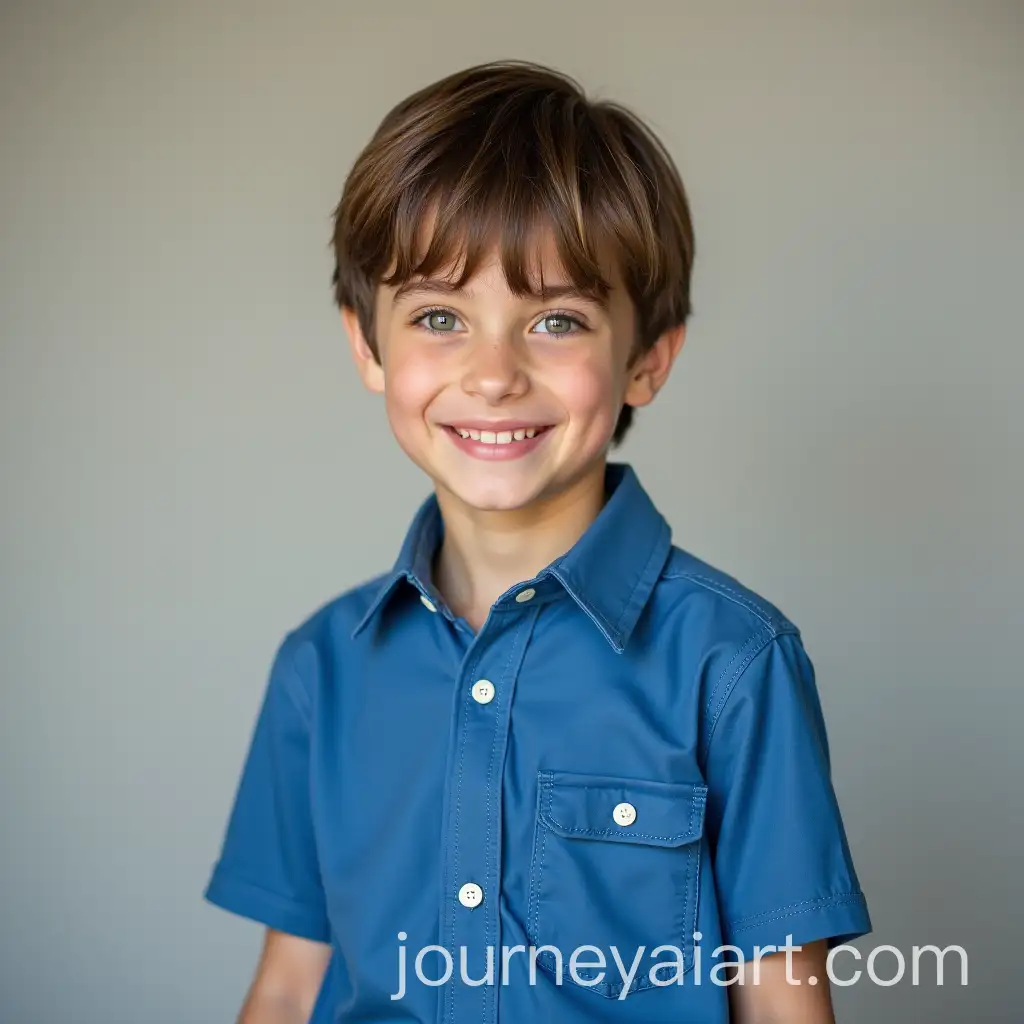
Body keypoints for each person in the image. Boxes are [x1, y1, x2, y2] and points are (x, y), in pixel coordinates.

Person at [204, 59, 872, 1024]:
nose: (494, 375)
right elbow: (287, 985)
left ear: (646, 360)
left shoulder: (734, 665)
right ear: (366, 345)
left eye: (556, 320)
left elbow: (781, 1006)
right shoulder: (321, 668)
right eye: (440, 317)